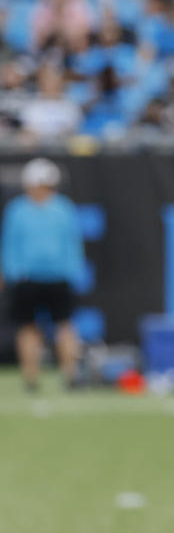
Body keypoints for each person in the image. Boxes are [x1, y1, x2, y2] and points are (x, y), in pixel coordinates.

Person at [2, 158, 85, 392]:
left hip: (57, 276)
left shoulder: (62, 208)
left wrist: (73, 271)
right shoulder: (18, 210)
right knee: (29, 328)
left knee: (64, 326)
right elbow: (10, 244)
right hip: (28, 278)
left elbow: (72, 244)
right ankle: (31, 377)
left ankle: (70, 376)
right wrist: (12, 272)